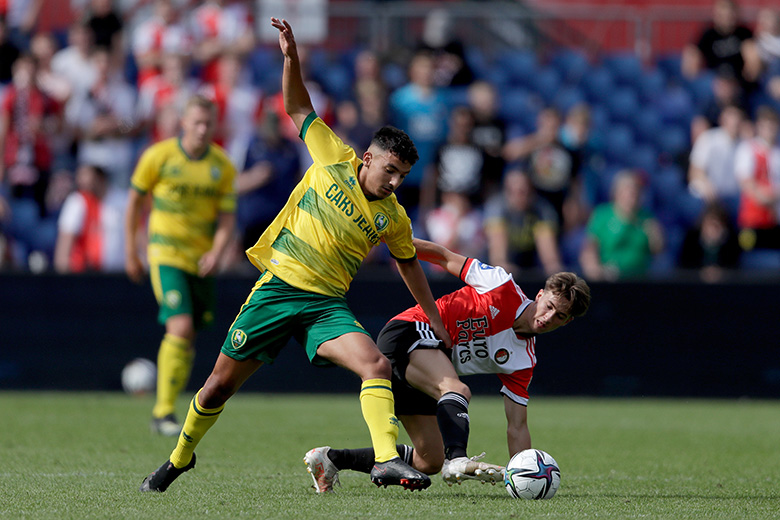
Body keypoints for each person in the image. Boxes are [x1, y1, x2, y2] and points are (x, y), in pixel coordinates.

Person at [137, 18, 450, 494]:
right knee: (217, 387)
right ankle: (178, 459)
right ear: (368, 157)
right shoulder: (332, 156)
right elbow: (298, 105)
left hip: (326, 306)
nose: (394, 182)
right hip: (279, 290)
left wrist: (434, 316)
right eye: (390, 170)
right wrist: (291, 58)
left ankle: (386, 459)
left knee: (375, 365)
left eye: (402, 175)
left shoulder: (394, 217)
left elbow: (409, 262)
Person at [302, 237, 590, 493]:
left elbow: (517, 425)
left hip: (425, 367)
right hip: (411, 329)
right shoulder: (501, 285)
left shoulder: (523, 359)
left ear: (568, 322)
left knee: (428, 460)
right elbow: (444, 257)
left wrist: (522, 471)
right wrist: (397, 242)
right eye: (549, 306)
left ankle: (331, 459)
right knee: (456, 389)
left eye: (560, 317)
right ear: (540, 295)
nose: (548, 318)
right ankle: (458, 459)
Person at [125, 94, 237, 437]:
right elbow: (134, 204)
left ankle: (168, 405)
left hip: (200, 260)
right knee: (181, 326)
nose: (202, 129)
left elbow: (227, 218)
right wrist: (132, 250)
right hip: (165, 254)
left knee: (188, 338)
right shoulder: (158, 156)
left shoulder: (222, 165)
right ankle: (162, 412)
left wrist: (217, 251)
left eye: (208, 123)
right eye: (197, 122)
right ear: (183, 123)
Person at [580, 169, 664, 281]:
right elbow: (589, 249)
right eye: (629, 190)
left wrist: (655, 236)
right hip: (609, 279)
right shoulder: (602, 215)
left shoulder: (647, 218)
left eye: (636, 191)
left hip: (639, 279)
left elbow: (657, 249)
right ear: (617, 192)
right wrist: (594, 270)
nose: (632, 195)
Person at [484, 168, 563, 276]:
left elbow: (550, 258)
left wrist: (555, 272)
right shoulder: (496, 208)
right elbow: (498, 256)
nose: (519, 197)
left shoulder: (543, 210)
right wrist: (502, 266)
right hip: (502, 257)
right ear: (506, 192)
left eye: (524, 192)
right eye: (514, 192)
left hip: (531, 258)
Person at [54, 163, 126, 273]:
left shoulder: (123, 201)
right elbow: (64, 247)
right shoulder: (77, 202)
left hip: (119, 276)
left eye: (86, 174)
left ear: (100, 177)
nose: (80, 180)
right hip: (85, 277)